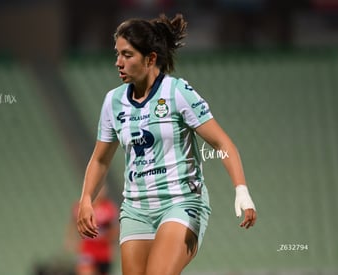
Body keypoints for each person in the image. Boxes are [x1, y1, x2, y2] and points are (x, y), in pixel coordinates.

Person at [76, 13, 257, 275]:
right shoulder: (113, 102)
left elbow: (222, 142)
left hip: (180, 202)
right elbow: (101, 158)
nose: (118, 62)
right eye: (117, 54)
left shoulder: (177, 92)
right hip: (136, 209)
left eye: (127, 55)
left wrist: (241, 190)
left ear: (150, 59)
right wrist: (86, 200)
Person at [66, 185, 119, 275]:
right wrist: (72, 241)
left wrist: (110, 240)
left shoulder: (109, 208)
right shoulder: (81, 207)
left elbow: (115, 228)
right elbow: (73, 224)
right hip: (87, 249)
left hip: (103, 251)